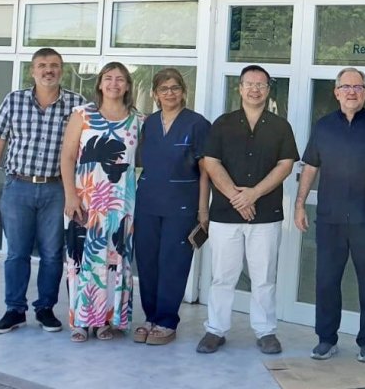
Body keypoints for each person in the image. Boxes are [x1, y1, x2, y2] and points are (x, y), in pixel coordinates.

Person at [294, 67, 365, 363]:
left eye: (358, 86)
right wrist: (300, 203)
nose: (352, 91)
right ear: (336, 92)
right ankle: (326, 339)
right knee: (327, 281)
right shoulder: (323, 126)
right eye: (346, 86)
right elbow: (311, 166)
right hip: (330, 219)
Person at [0, 48, 86, 334]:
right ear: (32, 70)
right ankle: (14, 310)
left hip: (57, 189)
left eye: (54, 65)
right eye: (42, 65)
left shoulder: (77, 105)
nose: (48, 70)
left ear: (61, 69)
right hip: (18, 186)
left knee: (53, 253)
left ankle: (46, 309)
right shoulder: (14, 101)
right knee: (17, 253)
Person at [197, 64, 299, 355]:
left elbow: (286, 165)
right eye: (249, 84)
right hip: (225, 215)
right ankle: (215, 330)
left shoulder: (281, 126)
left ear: (268, 90)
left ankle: (266, 331)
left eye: (261, 85)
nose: (255, 89)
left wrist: (253, 194)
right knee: (222, 276)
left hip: (266, 214)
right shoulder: (223, 123)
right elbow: (211, 163)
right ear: (240, 88)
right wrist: (235, 197)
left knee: (264, 277)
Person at [60, 62, 143, 342]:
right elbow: (68, 157)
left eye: (120, 79)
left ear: (128, 86)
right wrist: (71, 195)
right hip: (85, 200)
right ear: (99, 84)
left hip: (122, 204)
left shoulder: (138, 120)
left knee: (114, 260)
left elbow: (141, 162)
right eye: (108, 78)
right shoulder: (82, 115)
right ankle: (80, 322)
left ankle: (106, 320)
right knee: (83, 260)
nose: (114, 84)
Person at [133, 68, 211, 346]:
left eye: (175, 88)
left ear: (183, 92)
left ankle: (166, 321)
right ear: (155, 94)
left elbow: (205, 171)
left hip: (182, 206)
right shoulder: (149, 124)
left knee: (173, 263)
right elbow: (140, 166)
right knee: (147, 262)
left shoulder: (197, 124)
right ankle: (150, 317)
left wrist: (203, 211)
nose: (169, 93)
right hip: (148, 203)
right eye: (163, 89)